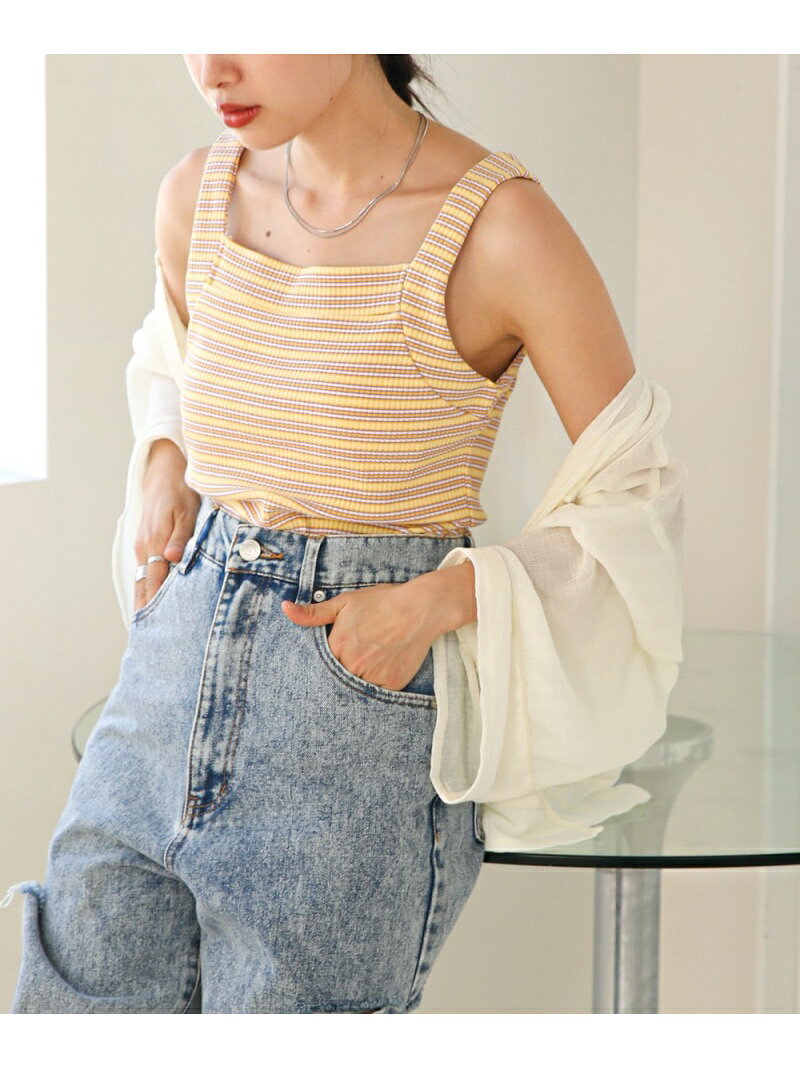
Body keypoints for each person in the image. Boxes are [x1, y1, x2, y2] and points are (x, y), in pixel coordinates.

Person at [8, 54, 637, 1013]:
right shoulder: (198, 195)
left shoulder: (499, 227)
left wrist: (440, 599)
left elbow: (633, 493)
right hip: (160, 695)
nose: (212, 67)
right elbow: (177, 361)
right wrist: (166, 459)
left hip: (349, 727)